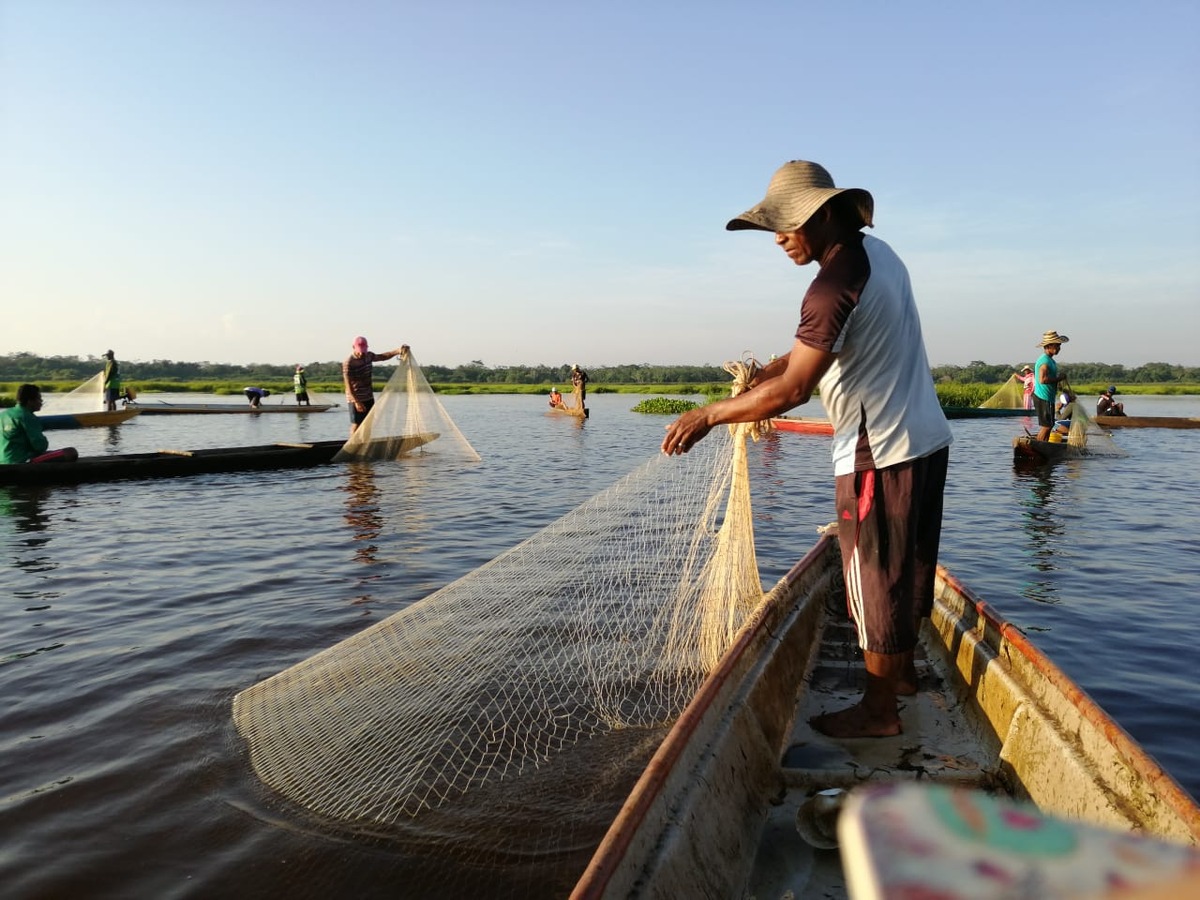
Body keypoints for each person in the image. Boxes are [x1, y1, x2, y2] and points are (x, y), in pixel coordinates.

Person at [661, 160, 952, 739]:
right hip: (926, 440)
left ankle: (877, 712)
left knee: (875, 580)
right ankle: (901, 679)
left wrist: (709, 414)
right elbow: (799, 362)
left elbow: (795, 389)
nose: (778, 239)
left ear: (819, 215)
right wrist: (757, 376)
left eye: (785, 225)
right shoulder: (879, 256)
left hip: (879, 452)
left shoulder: (830, 286)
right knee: (909, 569)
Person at [342, 336, 409, 435]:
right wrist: (357, 402)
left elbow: (382, 357)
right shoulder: (349, 362)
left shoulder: (368, 356)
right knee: (357, 424)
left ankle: (365, 444)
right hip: (354, 397)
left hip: (368, 396)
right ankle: (352, 446)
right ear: (353, 347)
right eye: (359, 351)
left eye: (363, 351)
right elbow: (348, 385)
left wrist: (398, 351)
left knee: (368, 423)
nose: (361, 354)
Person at [0, 384, 78, 465]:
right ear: (30, 401)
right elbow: (40, 446)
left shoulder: (3, 414)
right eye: (39, 399)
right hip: (22, 461)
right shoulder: (27, 417)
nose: (41, 402)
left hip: (3, 460)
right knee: (70, 452)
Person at [1032, 331, 1069, 442]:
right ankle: (1039, 446)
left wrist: (1059, 383)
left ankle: (1045, 445)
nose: (1059, 348)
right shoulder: (1044, 361)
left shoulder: (1051, 361)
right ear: (1048, 346)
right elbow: (1042, 380)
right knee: (1047, 425)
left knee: (1050, 424)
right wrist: (1059, 378)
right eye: (1057, 345)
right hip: (1043, 397)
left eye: (1059, 345)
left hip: (1048, 397)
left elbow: (1050, 379)